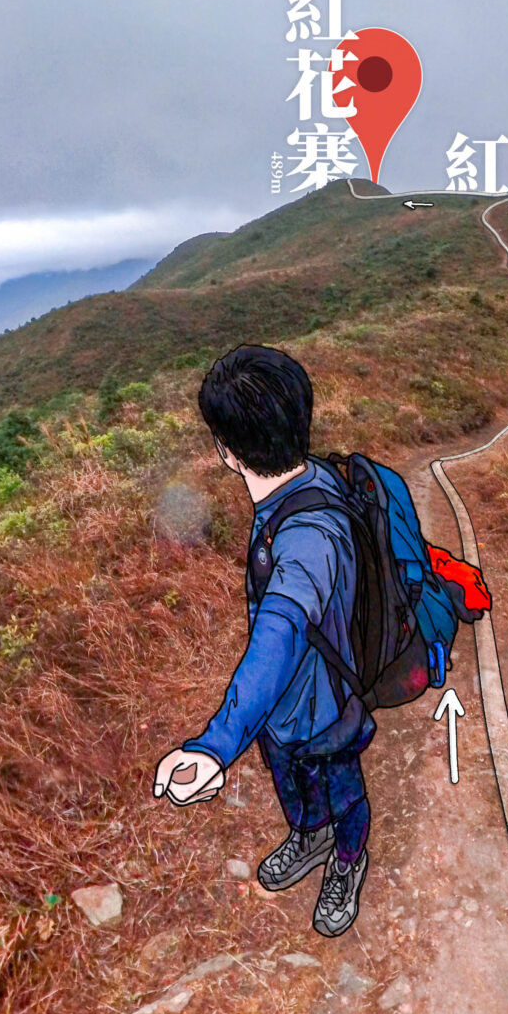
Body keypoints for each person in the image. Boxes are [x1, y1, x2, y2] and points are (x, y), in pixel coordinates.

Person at [151, 344, 373, 937]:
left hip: (325, 705)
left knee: (342, 791)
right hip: (284, 711)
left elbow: (278, 637)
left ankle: (347, 864)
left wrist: (214, 747)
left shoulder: (306, 539)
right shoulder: (306, 481)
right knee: (294, 784)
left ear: (227, 452)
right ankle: (309, 836)